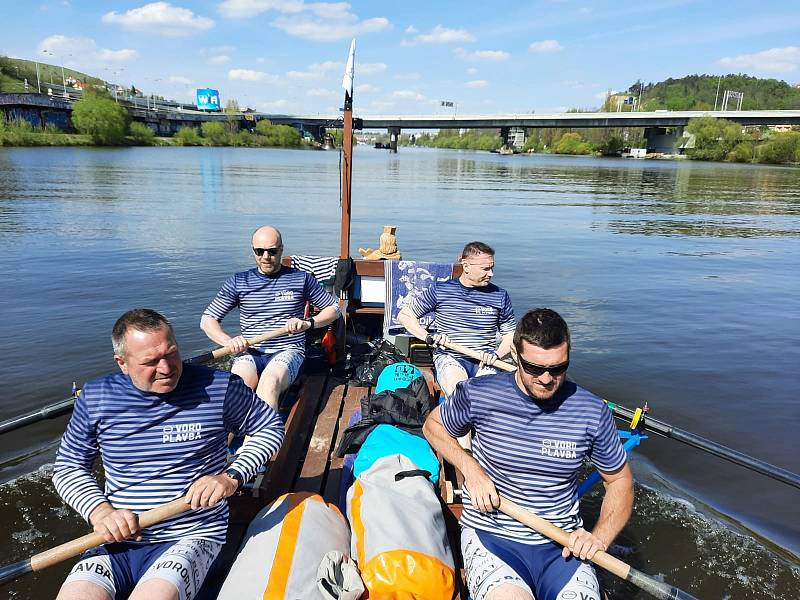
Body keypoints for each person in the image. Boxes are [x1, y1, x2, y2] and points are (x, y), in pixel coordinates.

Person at [53, 308, 285, 600]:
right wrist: (100, 512)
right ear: (122, 363)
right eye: (151, 361)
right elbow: (68, 468)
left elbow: (270, 428)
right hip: (116, 539)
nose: (166, 368)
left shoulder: (219, 387)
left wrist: (231, 477)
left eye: (171, 354)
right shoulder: (96, 397)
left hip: (191, 532)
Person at [423, 308, 634, 600]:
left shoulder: (592, 411)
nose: (547, 379)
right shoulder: (480, 393)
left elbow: (620, 482)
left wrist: (598, 539)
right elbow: (433, 426)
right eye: (534, 368)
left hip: (563, 546)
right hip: (493, 536)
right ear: (515, 356)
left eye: (558, 368)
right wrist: (471, 469)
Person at [201, 226, 340, 411]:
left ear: (281, 249)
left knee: (269, 383)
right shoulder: (239, 281)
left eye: (272, 251)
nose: (266, 256)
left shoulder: (301, 279)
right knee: (237, 389)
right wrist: (229, 341)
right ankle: (223, 439)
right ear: (253, 251)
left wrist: (308, 324)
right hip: (251, 350)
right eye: (260, 251)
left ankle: (263, 437)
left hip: (288, 350)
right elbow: (208, 320)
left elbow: (335, 308)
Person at [397, 241, 515, 446]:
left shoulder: (500, 296)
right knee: (461, 392)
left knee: (490, 401)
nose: (491, 274)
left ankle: (491, 449)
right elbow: (405, 316)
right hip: (451, 357)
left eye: (492, 268)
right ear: (466, 265)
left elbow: (510, 335)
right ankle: (466, 455)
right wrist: (428, 337)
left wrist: (496, 354)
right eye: (486, 269)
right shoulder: (440, 290)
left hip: (485, 362)